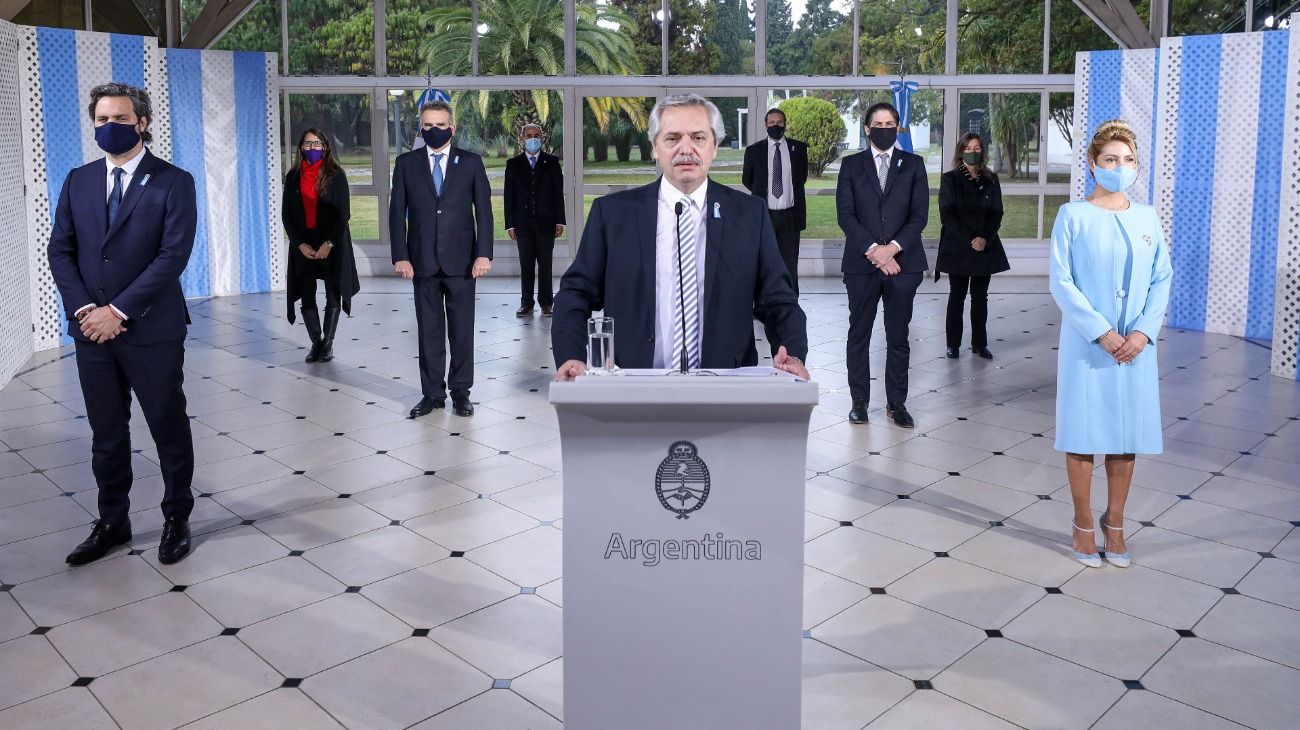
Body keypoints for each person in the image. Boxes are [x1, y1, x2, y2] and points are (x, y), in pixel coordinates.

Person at [552, 94, 808, 381]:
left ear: (715, 147)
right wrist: (571, 354)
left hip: (725, 388)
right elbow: (575, 294)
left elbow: (779, 300)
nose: (686, 149)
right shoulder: (612, 214)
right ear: (654, 147)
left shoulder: (750, 214)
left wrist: (793, 353)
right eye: (673, 138)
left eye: (698, 138)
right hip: (631, 386)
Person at [47, 83, 197, 565]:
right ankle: (113, 520)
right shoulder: (78, 180)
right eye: (101, 119)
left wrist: (119, 311)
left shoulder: (174, 181)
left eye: (120, 118)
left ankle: (177, 516)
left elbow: (172, 256)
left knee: (166, 426)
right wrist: (86, 312)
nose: (109, 126)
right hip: (92, 332)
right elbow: (61, 251)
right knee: (106, 433)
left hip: (151, 330)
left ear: (142, 123)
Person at [1049, 119, 1172, 569]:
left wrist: (1142, 332)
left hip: (1136, 348)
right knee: (1082, 434)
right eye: (1111, 160)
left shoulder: (1147, 218)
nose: (1120, 167)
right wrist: (1102, 331)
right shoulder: (1072, 216)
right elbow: (1062, 282)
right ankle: (1083, 523)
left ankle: (1115, 523)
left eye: (1128, 161)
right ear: (1092, 164)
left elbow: (1162, 278)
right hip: (1089, 347)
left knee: (1126, 436)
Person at [389, 100, 493, 418]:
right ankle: (432, 394)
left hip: (462, 263)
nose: (435, 130)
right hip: (421, 262)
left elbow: (484, 213)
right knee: (429, 331)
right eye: (428, 125)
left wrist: (484, 254)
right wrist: (401, 257)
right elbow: (396, 214)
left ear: (453, 127)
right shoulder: (407, 164)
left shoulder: (472, 163)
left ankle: (461, 392)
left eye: (441, 124)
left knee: (461, 330)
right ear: (421, 127)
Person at [836, 102, 929, 428]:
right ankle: (859, 402)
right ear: (867, 129)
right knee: (858, 335)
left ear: (898, 127)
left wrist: (892, 249)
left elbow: (919, 216)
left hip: (904, 265)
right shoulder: (850, 165)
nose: (884, 128)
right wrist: (875, 251)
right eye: (878, 123)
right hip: (862, 266)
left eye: (890, 123)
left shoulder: (914, 164)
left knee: (898, 337)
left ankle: (896, 403)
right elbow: (846, 215)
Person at [282, 128, 360, 362]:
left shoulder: (336, 175)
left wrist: (329, 243)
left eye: (317, 144)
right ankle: (316, 342)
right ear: (300, 148)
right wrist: (299, 244)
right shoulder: (292, 176)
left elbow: (343, 214)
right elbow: (286, 214)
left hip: (331, 243)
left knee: (332, 292)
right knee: (306, 293)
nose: (312, 148)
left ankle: (328, 343)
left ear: (325, 147)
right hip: (304, 244)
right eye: (308, 144)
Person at [935, 132, 1009, 359]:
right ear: (960, 151)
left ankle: (980, 344)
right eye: (969, 148)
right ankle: (953, 345)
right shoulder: (950, 179)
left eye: (977, 148)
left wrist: (985, 238)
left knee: (980, 298)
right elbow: (947, 215)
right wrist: (971, 239)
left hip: (985, 247)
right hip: (959, 246)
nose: (973, 152)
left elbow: (997, 212)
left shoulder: (991, 179)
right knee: (956, 296)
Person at [742, 107, 808, 293]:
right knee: (764, 260)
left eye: (779, 123)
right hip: (765, 216)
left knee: (789, 261)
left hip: (790, 216)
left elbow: (801, 178)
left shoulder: (799, 149)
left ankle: (790, 300)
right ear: (766, 125)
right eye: (772, 123)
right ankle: (763, 300)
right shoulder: (754, 151)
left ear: (785, 124)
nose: (775, 126)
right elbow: (748, 180)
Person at [505, 123, 565, 317]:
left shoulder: (552, 162)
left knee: (545, 264)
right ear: (522, 138)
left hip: (546, 223)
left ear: (542, 137)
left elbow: (558, 194)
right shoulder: (513, 164)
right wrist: (510, 224)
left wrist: (559, 221)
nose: (533, 138)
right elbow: (509, 197)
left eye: (536, 135)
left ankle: (547, 303)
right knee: (526, 265)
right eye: (529, 135)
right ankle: (526, 303)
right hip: (522, 224)